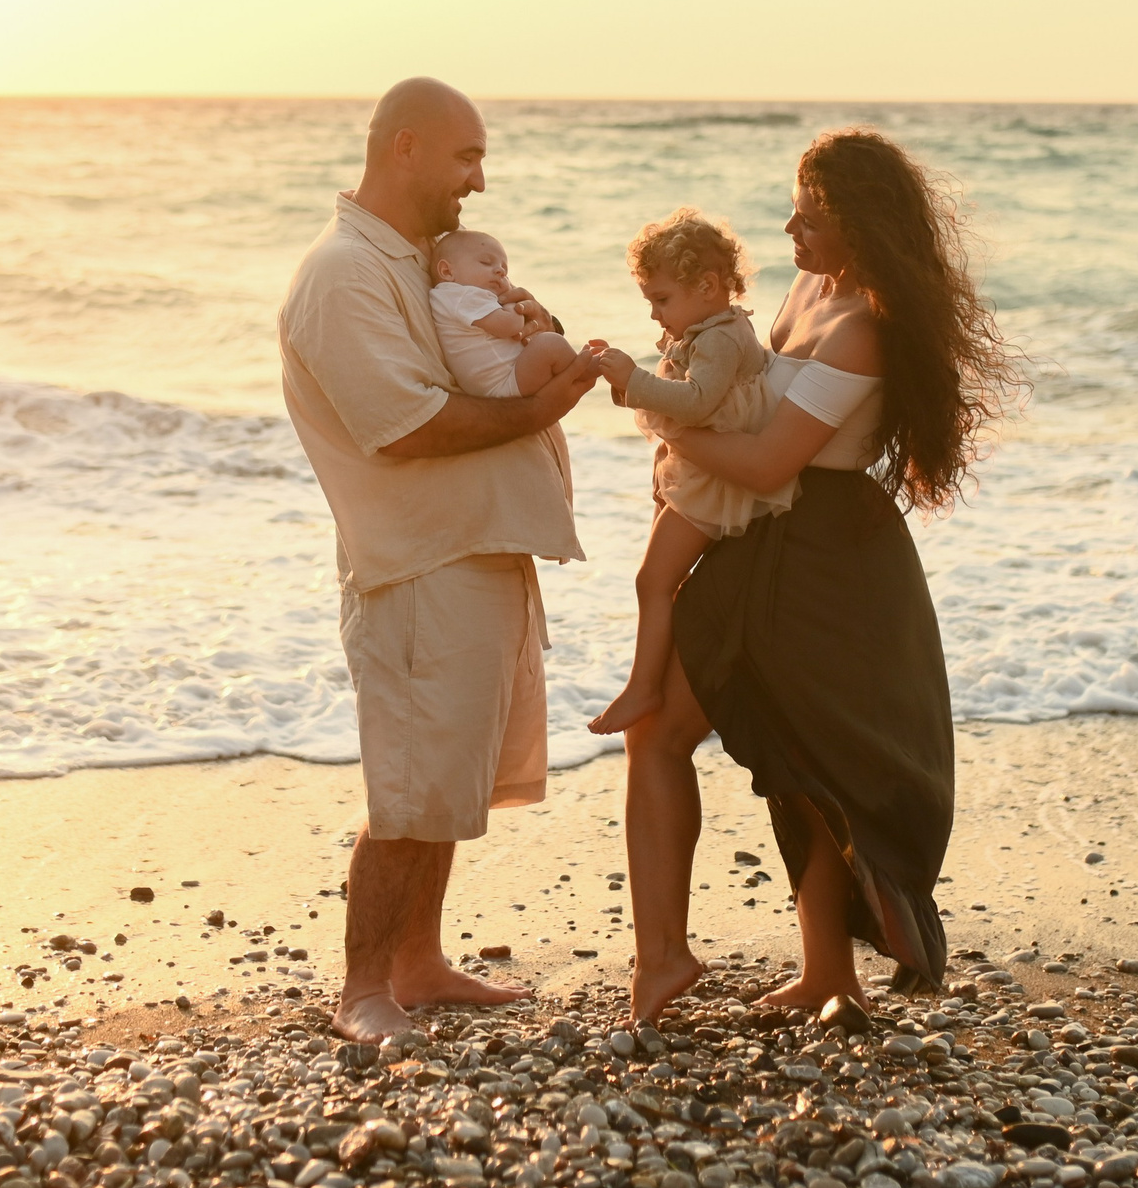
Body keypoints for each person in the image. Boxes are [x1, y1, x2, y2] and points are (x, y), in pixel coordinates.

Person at [619, 128, 1017, 1022]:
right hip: (767, 543)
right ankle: (738, 965)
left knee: (804, 764)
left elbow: (766, 461)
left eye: (813, 212)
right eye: (797, 204)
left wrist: (664, 422)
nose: (790, 224)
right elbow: (743, 408)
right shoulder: (808, 284)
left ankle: (772, 968)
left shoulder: (868, 325)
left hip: (831, 560)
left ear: (857, 223)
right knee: (735, 750)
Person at [278, 77, 604, 1043]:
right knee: (412, 785)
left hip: (474, 548)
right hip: (418, 562)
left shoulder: (422, 264)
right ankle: (363, 991)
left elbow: (474, 366)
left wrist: (525, 325)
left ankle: (417, 962)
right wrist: (549, 403)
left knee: (452, 777)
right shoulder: (344, 272)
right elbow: (407, 423)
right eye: (468, 157)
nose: (481, 180)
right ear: (406, 146)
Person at [586, 208, 795, 736]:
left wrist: (633, 379)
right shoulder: (708, 328)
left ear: (707, 285)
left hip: (714, 486)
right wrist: (626, 382)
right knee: (662, 581)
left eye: (662, 299)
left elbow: (697, 404)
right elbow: (678, 401)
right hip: (700, 477)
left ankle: (643, 687)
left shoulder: (721, 338)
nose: (656, 315)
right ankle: (654, 674)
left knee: (652, 580)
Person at [428, 229, 588, 397]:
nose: (500, 271)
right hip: (503, 384)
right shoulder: (461, 295)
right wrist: (512, 303)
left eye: (504, 268)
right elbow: (510, 325)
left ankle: (580, 367)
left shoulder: (452, 296)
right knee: (550, 344)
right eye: (486, 262)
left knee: (547, 344)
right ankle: (582, 370)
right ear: (447, 271)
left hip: (499, 382)